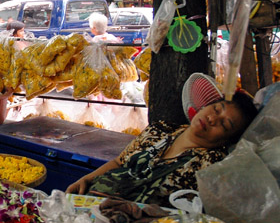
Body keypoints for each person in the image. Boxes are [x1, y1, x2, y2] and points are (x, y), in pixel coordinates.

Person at [66, 74, 258, 207]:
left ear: (226, 140)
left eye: (224, 125)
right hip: (90, 206)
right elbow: (120, 162)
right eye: (216, 109)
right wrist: (86, 179)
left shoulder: (212, 165)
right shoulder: (160, 130)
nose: (212, 119)